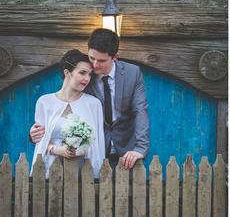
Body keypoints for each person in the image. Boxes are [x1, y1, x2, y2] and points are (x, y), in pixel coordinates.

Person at [30, 28, 150, 170]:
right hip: (92, 154)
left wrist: (140, 149)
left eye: (101, 61)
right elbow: (61, 106)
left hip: (126, 151)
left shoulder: (132, 73)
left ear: (115, 56)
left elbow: (140, 111)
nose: (94, 65)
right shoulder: (84, 74)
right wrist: (35, 133)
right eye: (92, 58)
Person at [31, 50, 105, 178]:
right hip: (50, 169)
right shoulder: (44, 102)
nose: (87, 78)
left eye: (89, 74)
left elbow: (97, 142)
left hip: (83, 172)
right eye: (82, 73)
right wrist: (56, 149)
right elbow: (40, 139)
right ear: (67, 72)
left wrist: (80, 150)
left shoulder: (94, 104)